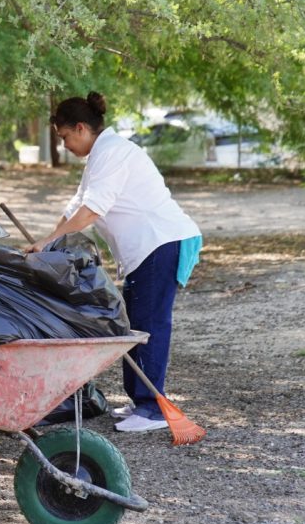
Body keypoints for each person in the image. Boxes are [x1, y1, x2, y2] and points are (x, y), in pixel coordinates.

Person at [27, 91, 202, 433]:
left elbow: (93, 210)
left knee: (150, 324)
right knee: (133, 323)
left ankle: (152, 409)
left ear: (81, 127)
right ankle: (141, 401)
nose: (64, 146)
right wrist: (45, 242)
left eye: (64, 137)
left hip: (161, 242)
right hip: (145, 249)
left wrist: (49, 242)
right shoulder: (99, 157)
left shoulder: (113, 153)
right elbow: (76, 207)